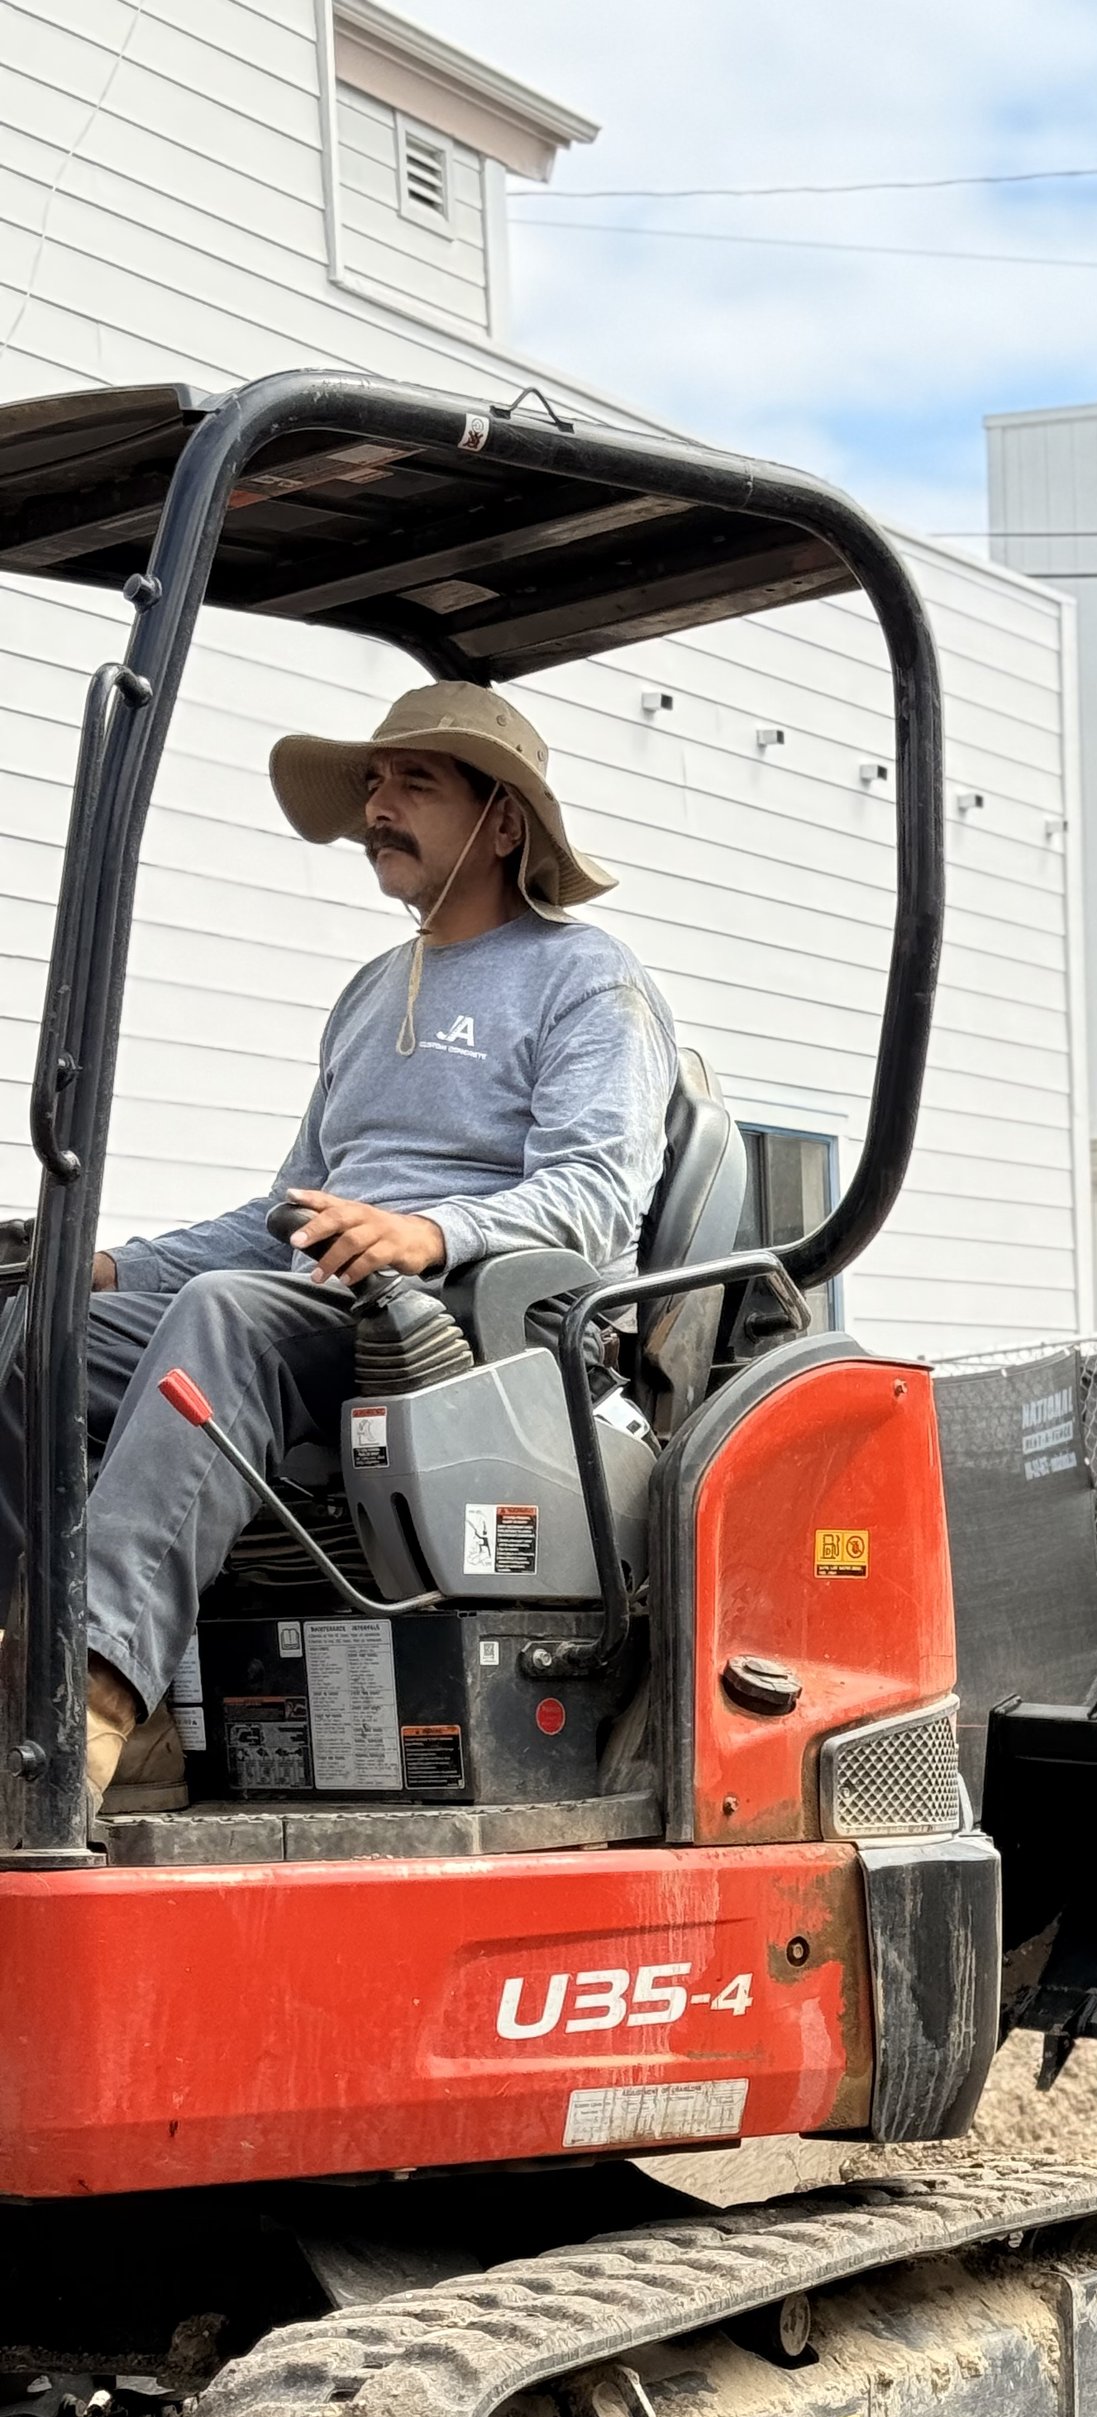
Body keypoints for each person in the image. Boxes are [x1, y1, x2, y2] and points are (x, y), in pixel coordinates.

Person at [0, 680, 679, 1822]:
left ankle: (89, 1699)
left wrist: (427, 1234)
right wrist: (109, 1264)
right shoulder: (370, 994)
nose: (378, 805)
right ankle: (70, 1675)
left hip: (470, 1330)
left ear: (503, 823)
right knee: (35, 1331)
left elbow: (598, 1198)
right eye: (373, 781)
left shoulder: (587, 978)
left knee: (225, 1315)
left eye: (415, 782)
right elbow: (289, 1210)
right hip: (320, 1301)